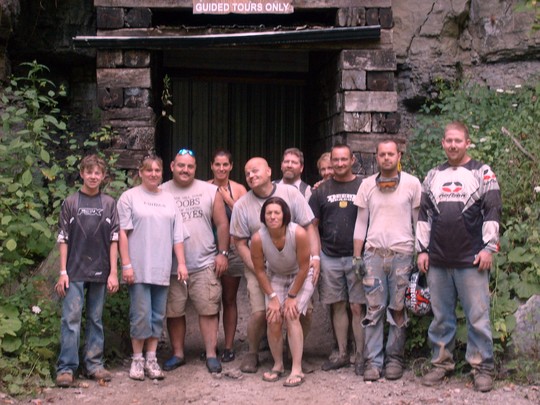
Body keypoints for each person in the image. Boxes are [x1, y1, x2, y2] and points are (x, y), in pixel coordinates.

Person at [416, 121, 502, 392]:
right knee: (441, 317)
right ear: (443, 143)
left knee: (478, 317)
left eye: (458, 141)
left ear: (467, 143)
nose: (453, 145)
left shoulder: (482, 172)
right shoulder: (433, 175)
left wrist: (488, 248)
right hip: (438, 259)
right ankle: (441, 364)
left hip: (472, 259)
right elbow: (424, 215)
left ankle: (482, 368)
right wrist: (422, 250)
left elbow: (493, 210)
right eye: (449, 141)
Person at [230, 157, 321, 373]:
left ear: (269, 171)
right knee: (262, 312)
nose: (251, 176)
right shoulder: (242, 205)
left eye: (255, 171)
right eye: (247, 173)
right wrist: (257, 268)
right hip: (258, 263)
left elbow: (308, 226)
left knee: (303, 311)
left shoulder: (291, 193)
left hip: (294, 263)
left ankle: (293, 354)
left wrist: (316, 257)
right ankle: (253, 352)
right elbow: (239, 242)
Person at [353, 140, 422, 381]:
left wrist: (421, 251)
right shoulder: (367, 185)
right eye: (382, 154)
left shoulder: (412, 184)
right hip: (373, 254)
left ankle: (395, 359)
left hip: (402, 254)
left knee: (398, 308)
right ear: (377, 157)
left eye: (390, 154)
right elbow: (361, 222)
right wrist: (356, 256)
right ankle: (373, 361)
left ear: (399, 155)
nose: (386, 158)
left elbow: (418, 221)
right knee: (373, 309)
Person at [117, 155, 188, 381]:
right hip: (138, 268)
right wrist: (126, 264)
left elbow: (177, 235)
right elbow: (122, 233)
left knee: (157, 315)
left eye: (157, 170)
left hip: (162, 267)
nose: (153, 174)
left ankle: (151, 358)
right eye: (149, 170)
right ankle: (137, 359)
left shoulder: (169, 199)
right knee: (141, 315)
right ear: (140, 172)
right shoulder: (129, 197)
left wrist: (181, 263)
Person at [161, 148, 229, 374]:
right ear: (172, 166)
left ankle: (211, 354)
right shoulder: (161, 192)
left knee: (208, 308)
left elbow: (222, 224)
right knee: (174, 311)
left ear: (195, 168)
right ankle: (178, 354)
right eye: (181, 165)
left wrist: (223, 253)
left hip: (204, 262)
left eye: (190, 166)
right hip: (171, 265)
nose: (185, 170)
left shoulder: (210, 191)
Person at [55, 155, 119, 387]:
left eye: (97, 173)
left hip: (101, 270)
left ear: (103, 176)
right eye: (89, 172)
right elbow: (63, 238)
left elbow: (114, 239)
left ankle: (94, 364)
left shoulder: (109, 204)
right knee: (71, 318)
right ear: (82, 173)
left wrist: (114, 272)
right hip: (74, 270)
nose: (93, 176)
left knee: (95, 318)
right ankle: (66, 368)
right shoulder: (70, 202)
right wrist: (63, 271)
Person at [308, 143, 365, 374]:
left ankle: (360, 356)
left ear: (352, 160)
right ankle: (342, 353)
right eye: (336, 160)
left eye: (344, 159)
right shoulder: (321, 191)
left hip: (357, 256)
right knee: (338, 305)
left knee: (357, 306)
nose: (340, 164)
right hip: (330, 256)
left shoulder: (363, 186)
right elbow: (312, 225)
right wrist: (317, 255)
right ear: (330, 162)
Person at [251, 197, 314, 387]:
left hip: (301, 274)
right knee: (273, 318)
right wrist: (272, 297)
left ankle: (296, 368)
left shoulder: (298, 233)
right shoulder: (258, 238)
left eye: (276, 213)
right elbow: (260, 271)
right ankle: (278, 364)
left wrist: (292, 297)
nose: (272, 216)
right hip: (276, 274)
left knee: (291, 314)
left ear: (284, 215)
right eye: (268, 213)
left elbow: (304, 268)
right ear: (263, 216)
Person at [208, 149, 247, 362]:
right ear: (211, 166)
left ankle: (229, 346)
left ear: (231, 166)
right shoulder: (204, 187)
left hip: (232, 250)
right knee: (210, 300)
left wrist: (227, 199)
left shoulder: (239, 189)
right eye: (218, 164)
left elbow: (246, 216)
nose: (221, 168)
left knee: (229, 299)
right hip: (209, 250)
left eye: (225, 164)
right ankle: (211, 346)